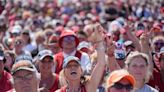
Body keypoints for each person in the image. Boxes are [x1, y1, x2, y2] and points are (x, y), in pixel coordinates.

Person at [56, 24, 106, 92]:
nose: (73, 68)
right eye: (69, 66)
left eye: (76, 65)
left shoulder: (89, 87)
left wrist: (100, 41)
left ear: (81, 71)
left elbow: (101, 64)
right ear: (64, 73)